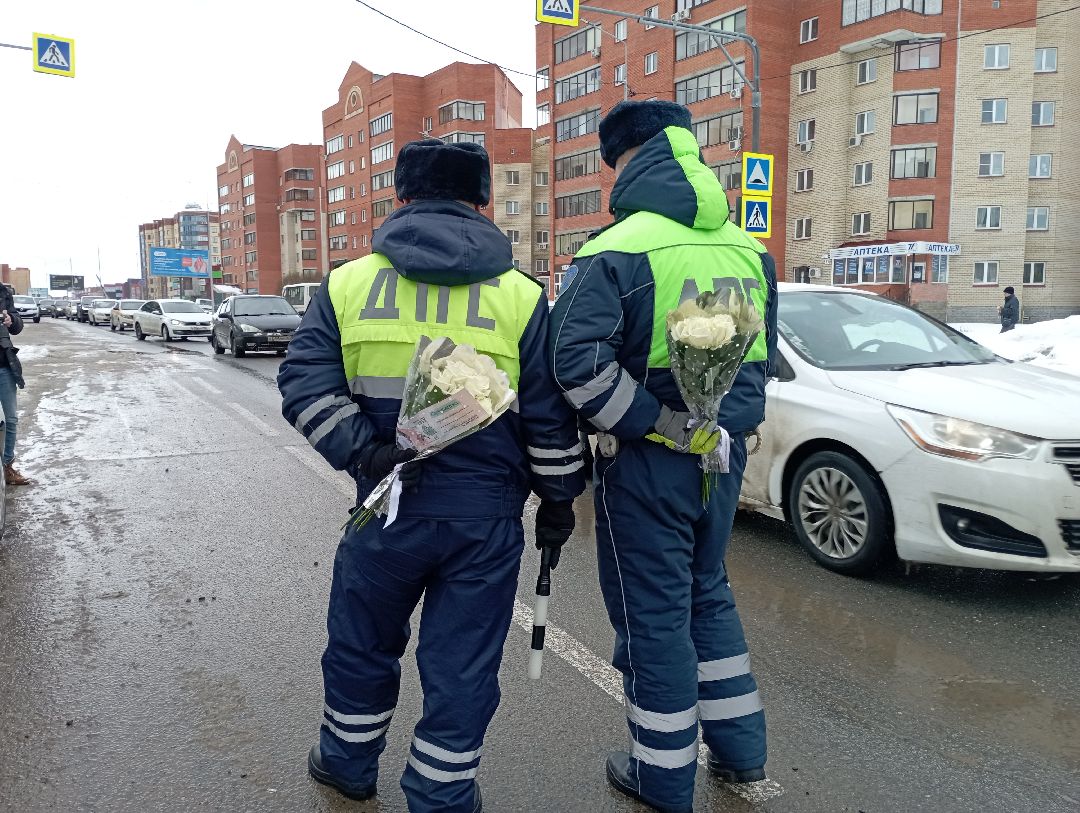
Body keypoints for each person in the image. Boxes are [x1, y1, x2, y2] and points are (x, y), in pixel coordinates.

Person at [278, 139, 585, 813]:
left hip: (386, 507)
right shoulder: (521, 296)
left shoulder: (348, 284)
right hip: (484, 522)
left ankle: (347, 764)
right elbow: (549, 417)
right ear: (483, 204)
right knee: (462, 666)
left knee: (361, 642)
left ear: (399, 199)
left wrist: (365, 451)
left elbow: (303, 382)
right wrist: (560, 496)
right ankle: (442, 793)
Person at [549, 100, 777, 813]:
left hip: (648, 462)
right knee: (708, 593)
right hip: (722, 457)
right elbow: (762, 359)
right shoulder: (748, 248)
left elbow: (575, 367)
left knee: (652, 619)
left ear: (623, 161)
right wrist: (716, 429)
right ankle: (742, 753)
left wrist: (662, 424)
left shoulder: (617, 249)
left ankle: (662, 774)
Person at [0, 284, 29, 486]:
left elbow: (18, 326)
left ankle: (7, 466)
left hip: (4, 365)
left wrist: (11, 321)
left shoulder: (3, 292)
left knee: (10, 419)